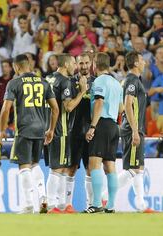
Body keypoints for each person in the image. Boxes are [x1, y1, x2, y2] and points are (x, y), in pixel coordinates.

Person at [0, 54, 59, 213]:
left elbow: (6, 109)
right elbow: (55, 108)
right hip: (40, 129)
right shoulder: (44, 82)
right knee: (34, 164)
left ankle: (28, 204)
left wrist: (2, 129)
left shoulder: (15, 83)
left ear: (16, 67)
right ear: (29, 65)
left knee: (24, 166)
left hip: (24, 129)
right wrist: (51, 129)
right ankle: (42, 196)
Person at [112, 51, 155, 213]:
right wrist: (135, 130)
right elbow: (127, 104)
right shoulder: (131, 81)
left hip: (135, 128)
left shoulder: (133, 81)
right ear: (136, 63)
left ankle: (141, 205)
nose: (144, 63)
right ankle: (103, 196)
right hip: (132, 129)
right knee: (132, 169)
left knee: (139, 168)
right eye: (142, 60)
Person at [44, 54, 87, 214]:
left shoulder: (48, 78)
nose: (75, 66)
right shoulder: (64, 81)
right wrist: (82, 92)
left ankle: (61, 205)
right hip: (59, 129)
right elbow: (68, 107)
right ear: (67, 64)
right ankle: (51, 205)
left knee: (60, 167)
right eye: (74, 63)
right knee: (58, 168)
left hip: (48, 127)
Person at [84, 52, 123, 213]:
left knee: (95, 164)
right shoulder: (116, 83)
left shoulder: (99, 81)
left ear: (95, 65)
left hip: (101, 124)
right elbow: (121, 108)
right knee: (110, 166)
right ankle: (111, 205)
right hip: (114, 125)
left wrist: (93, 126)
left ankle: (96, 204)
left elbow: (99, 101)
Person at [69, 53, 95, 209]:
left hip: (91, 132)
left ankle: (91, 205)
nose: (84, 66)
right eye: (81, 63)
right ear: (76, 64)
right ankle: (67, 205)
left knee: (90, 169)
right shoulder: (70, 83)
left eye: (86, 63)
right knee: (70, 169)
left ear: (91, 63)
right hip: (73, 131)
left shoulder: (97, 82)